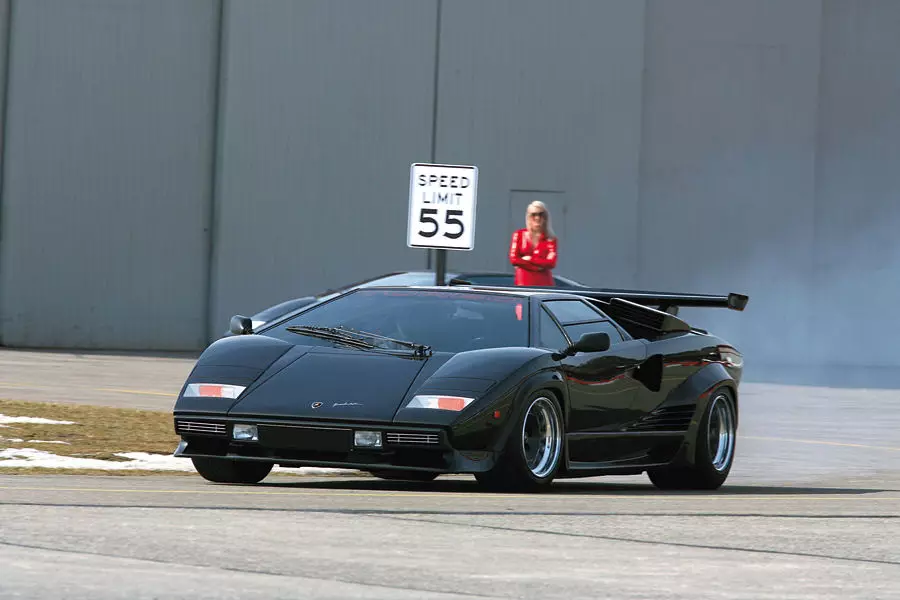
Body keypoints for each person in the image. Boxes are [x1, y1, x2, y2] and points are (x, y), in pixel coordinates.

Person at [508, 200, 557, 286]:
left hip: (544, 281)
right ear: (528, 217)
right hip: (524, 280)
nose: (537, 218)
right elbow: (514, 259)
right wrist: (538, 266)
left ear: (545, 217)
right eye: (533, 214)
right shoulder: (519, 235)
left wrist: (530, 259)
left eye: (541, 214)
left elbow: (551, 262)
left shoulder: (550, 238)